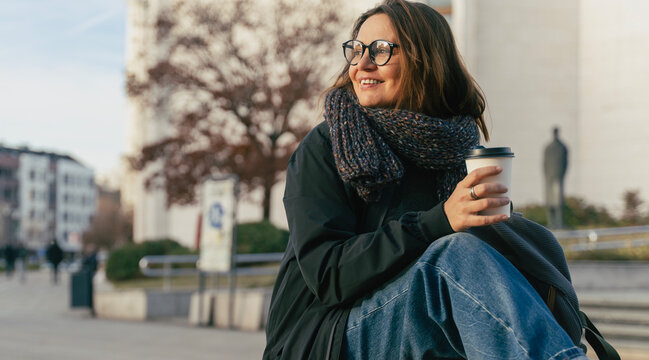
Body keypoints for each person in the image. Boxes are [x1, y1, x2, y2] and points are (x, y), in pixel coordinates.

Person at [263, 1, 589, 359]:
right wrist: (440, 222)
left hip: (416, 317)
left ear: (425, 60)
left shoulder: (457, 150)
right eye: (356, 50)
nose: (362, 64)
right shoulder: (328, 144)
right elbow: (328, 277)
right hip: (323, 339)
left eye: (381, 50)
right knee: (453, 256)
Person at [544, 127, 569, 229]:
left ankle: (559, 223)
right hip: (550, 177)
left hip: (557, 176)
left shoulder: (562, 147)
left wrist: (562, 174)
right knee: (550, 200)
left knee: (558, 200)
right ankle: (551, 222)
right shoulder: (549, 147)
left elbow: (566, 163)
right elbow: (544, 163)